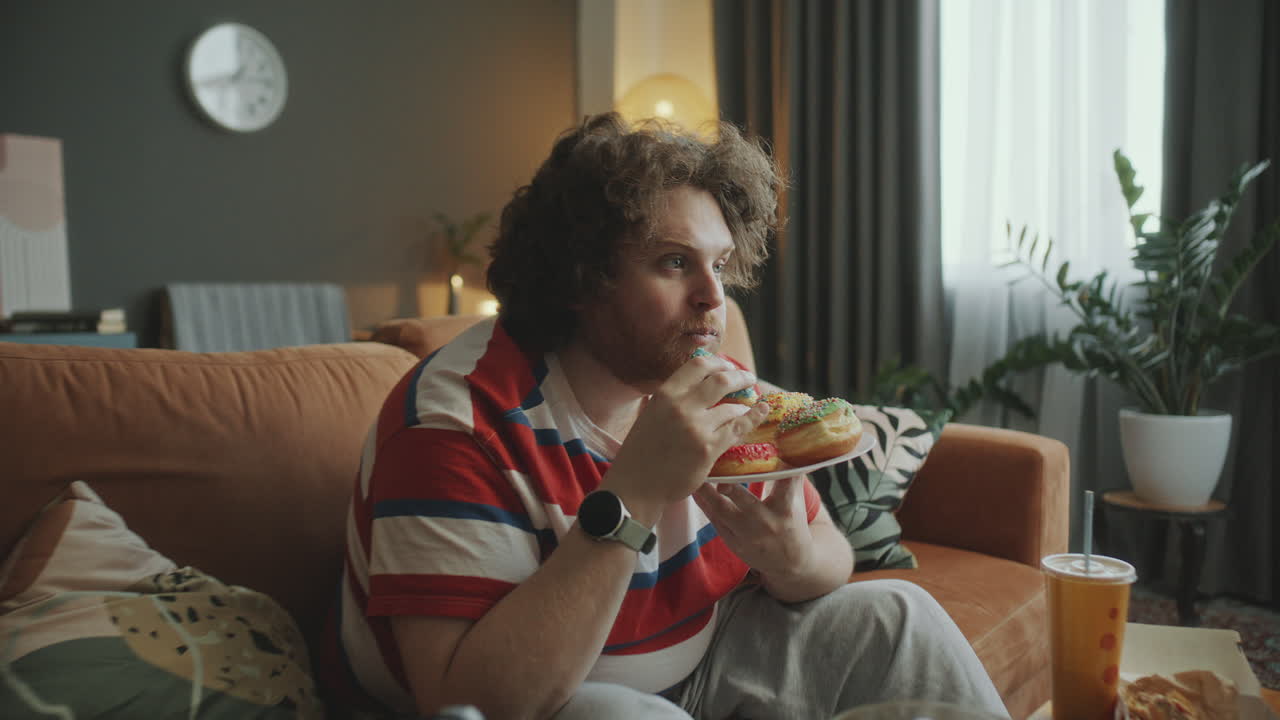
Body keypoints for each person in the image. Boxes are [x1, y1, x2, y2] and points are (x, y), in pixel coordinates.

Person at [323, 113, 1007, 720]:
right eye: (675, 263)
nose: (715, 297)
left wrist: (791, 556)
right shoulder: (457, 423)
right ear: (581, 278)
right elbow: (470, 704)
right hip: (562, 697)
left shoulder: (711, 378)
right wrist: (636, 494)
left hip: (711, 659)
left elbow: (828, 556)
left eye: (720, 263)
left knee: (900, 617)